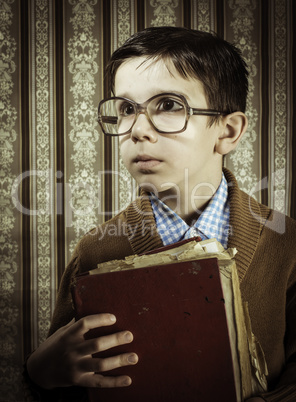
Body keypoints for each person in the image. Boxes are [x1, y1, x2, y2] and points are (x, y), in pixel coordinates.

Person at [24, 27, 296, 402]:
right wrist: (40, 375)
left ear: (228, 131)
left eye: (168, 105)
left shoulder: (286, 242)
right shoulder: (96, 251)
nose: (137, 129)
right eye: (126, 109)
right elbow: (71, 379)